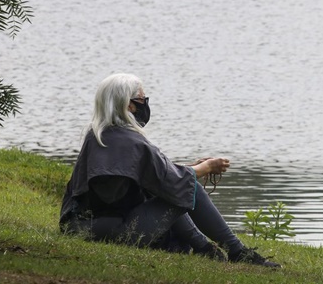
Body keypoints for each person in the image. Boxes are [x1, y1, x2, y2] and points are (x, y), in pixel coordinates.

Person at [59, 73, 280, 268]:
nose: (146, 103)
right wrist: (205, 168)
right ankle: (236, 251)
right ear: (129, 106)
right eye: (142, 99)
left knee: (176, 186)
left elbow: (156, 176)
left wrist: (190, 169)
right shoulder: (128, 141)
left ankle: (205, 249)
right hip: (109, 231)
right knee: (188, 187)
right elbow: (170, 180)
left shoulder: (99, 134)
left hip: (80, 227)